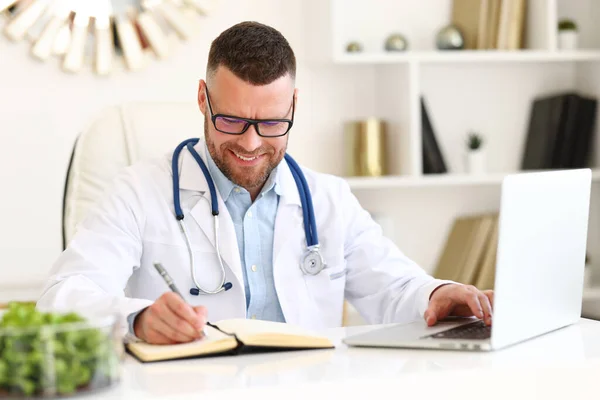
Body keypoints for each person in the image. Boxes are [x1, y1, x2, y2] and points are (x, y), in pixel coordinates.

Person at [37, 21, 493, 344]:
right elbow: (63, 297)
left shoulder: (327, 199)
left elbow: (394, 288)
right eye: (232, 120)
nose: (252, 143)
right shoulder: (137, 193)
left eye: (273, 122)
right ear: (202, 98)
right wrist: (136, 320)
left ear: (294, 105)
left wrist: (437, 294)